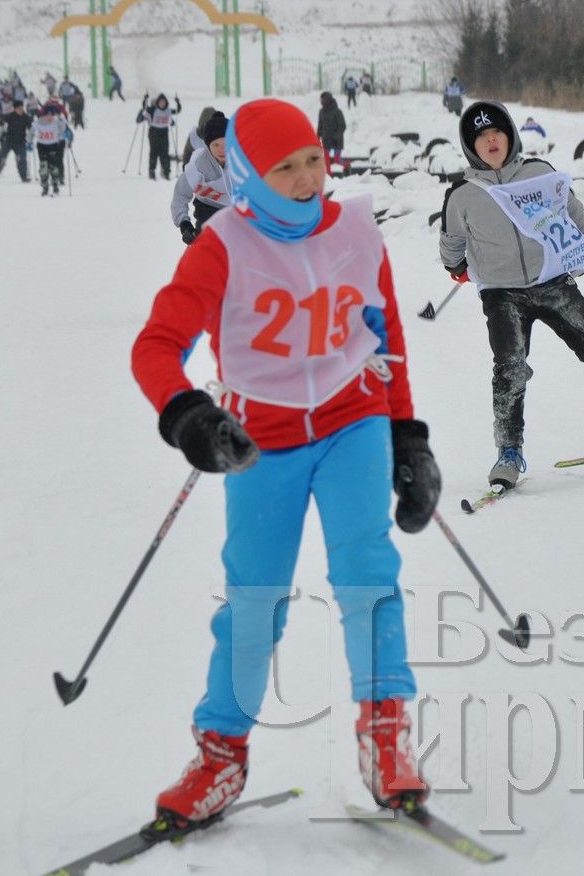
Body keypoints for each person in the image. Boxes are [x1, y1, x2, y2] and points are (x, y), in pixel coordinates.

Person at [131, 97, 440, 826]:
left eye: (312, 161)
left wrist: (408, 437)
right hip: (258, 442)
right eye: (285, 168)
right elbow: (154, 346)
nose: (307, 179)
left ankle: (385, 735)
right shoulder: (221, 247)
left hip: (350, 419)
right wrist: (188, 415)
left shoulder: (357, 231)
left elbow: (385, 334)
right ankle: (219, 758)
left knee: (368, 572)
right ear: (246, 176)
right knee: (253, 599)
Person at [438, 100, 584, 489]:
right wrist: (455, 265)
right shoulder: (463, 195)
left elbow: (571, 208)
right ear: (471, 146)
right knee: (510, 370)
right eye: (482, 137)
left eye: (498, 133)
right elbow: (452, 241)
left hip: (552, 281)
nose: (492, 140)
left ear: (510, 136)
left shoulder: (538, 173)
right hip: (502, 294)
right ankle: (509, 451)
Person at [171, 111, 231, 242]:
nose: (221, 149)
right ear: (207, 145)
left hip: (236, 213)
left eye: (225, 144)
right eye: (216, 145)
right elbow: (180, 195)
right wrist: (184, 224)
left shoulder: (240, 162)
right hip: (207, 213)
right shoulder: (198, 167)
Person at [0, 98, 32, 182]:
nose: (20, 110)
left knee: (22, 160)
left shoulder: (26, 117)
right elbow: (1, 122)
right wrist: (0, 121)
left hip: (20, 143)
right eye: (18, 108)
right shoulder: (10, 116)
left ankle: (24, 177)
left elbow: (31, 128)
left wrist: (31, 136)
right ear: (15, 108)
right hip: (9, 142)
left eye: (21, 108)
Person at [137, 93, 182, 180]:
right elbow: (145, 108)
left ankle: (166, 171)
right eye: (161, 102)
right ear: (157, 102)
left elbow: (177, 110)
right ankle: (152, 171)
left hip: (164, 133)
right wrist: (145, 100)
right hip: (154, 132)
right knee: (154, 152)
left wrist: (178, 102)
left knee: (164, 153)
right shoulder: (153, 110)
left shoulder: (168, 110)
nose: (162, 104)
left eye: (164, 102)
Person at [32, 101, 72, 197]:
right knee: (43, 167)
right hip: (41, 146)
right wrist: (28, 141)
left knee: (54, 167)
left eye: (52, 115)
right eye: (48, 115)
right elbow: (31, 131)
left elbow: (63, 129)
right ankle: (45, 186)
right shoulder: (38, 122)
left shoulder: (57, 121)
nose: (50, 117)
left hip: (53, 145)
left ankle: (55, 185)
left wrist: (66, 133)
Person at [317, 91, 346, 172]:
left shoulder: (337, 111)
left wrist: (336, 136)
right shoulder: (321, 112)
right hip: (326, 140)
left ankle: (347, 166)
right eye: (321, 99)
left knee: (337, 160)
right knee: (327, 161)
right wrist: (317, 137)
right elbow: (320, 125)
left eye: (322, 99)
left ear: (327, 100)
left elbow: (342, 126)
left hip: (336, 141)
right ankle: (329, 177)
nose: (321, 101)